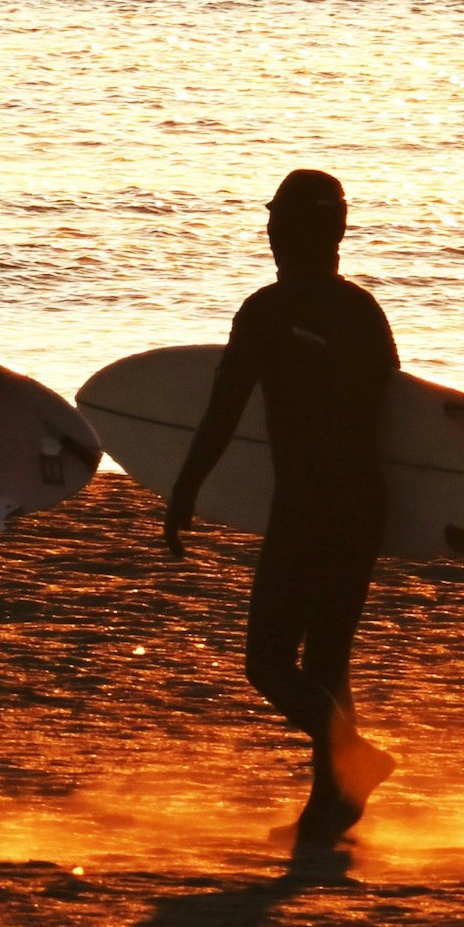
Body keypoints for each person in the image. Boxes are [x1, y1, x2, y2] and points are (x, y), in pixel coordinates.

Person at [162, 168, 401, 868]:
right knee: (327, 661)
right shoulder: (363, 311)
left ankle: (352, 758)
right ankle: (331, 811)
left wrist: (186, 490)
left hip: (308, 504)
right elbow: (395, 411)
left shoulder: (266, 310)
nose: (266, 232)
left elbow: (224, 409)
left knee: (267, 660)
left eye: (273, 222)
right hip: (365, 501)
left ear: (285, 232)